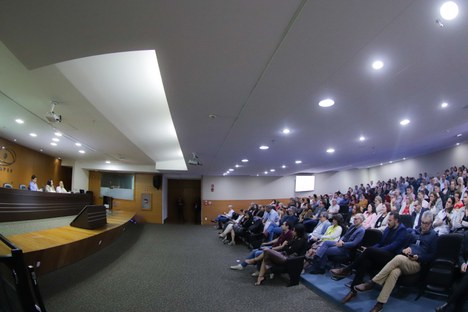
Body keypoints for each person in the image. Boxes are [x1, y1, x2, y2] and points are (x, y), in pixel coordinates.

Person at [353, 211, 437, 312]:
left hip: (417, 263)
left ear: (431, 223)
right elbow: (406, 245)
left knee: (398, 258)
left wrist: (418, 257)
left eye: (427, 223)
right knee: (394, 272)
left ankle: (372, 283)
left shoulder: (434, 236)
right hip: (406, 259)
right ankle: (380, 304)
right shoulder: (415, 231)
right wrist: (406, 249)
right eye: (422, 222)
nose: (424, 225)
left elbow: (432, 256)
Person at [330, 212, 408, 303]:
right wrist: (372, 249)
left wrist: (373, 251)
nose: (388, 222)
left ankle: (347, 270)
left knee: (368, 251)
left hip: (393, 257)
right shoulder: (388, 228)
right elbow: (380, 243)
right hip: (382, 254)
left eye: (390, 220)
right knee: (365, 261)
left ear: (396, 221)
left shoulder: (402, 231)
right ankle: (353, 290)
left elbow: (393, 246)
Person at [435, 230, 468, 312]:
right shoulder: (467, 234)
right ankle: (453, 306)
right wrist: (462, 263)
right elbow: (460, 255)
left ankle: (448, 304)